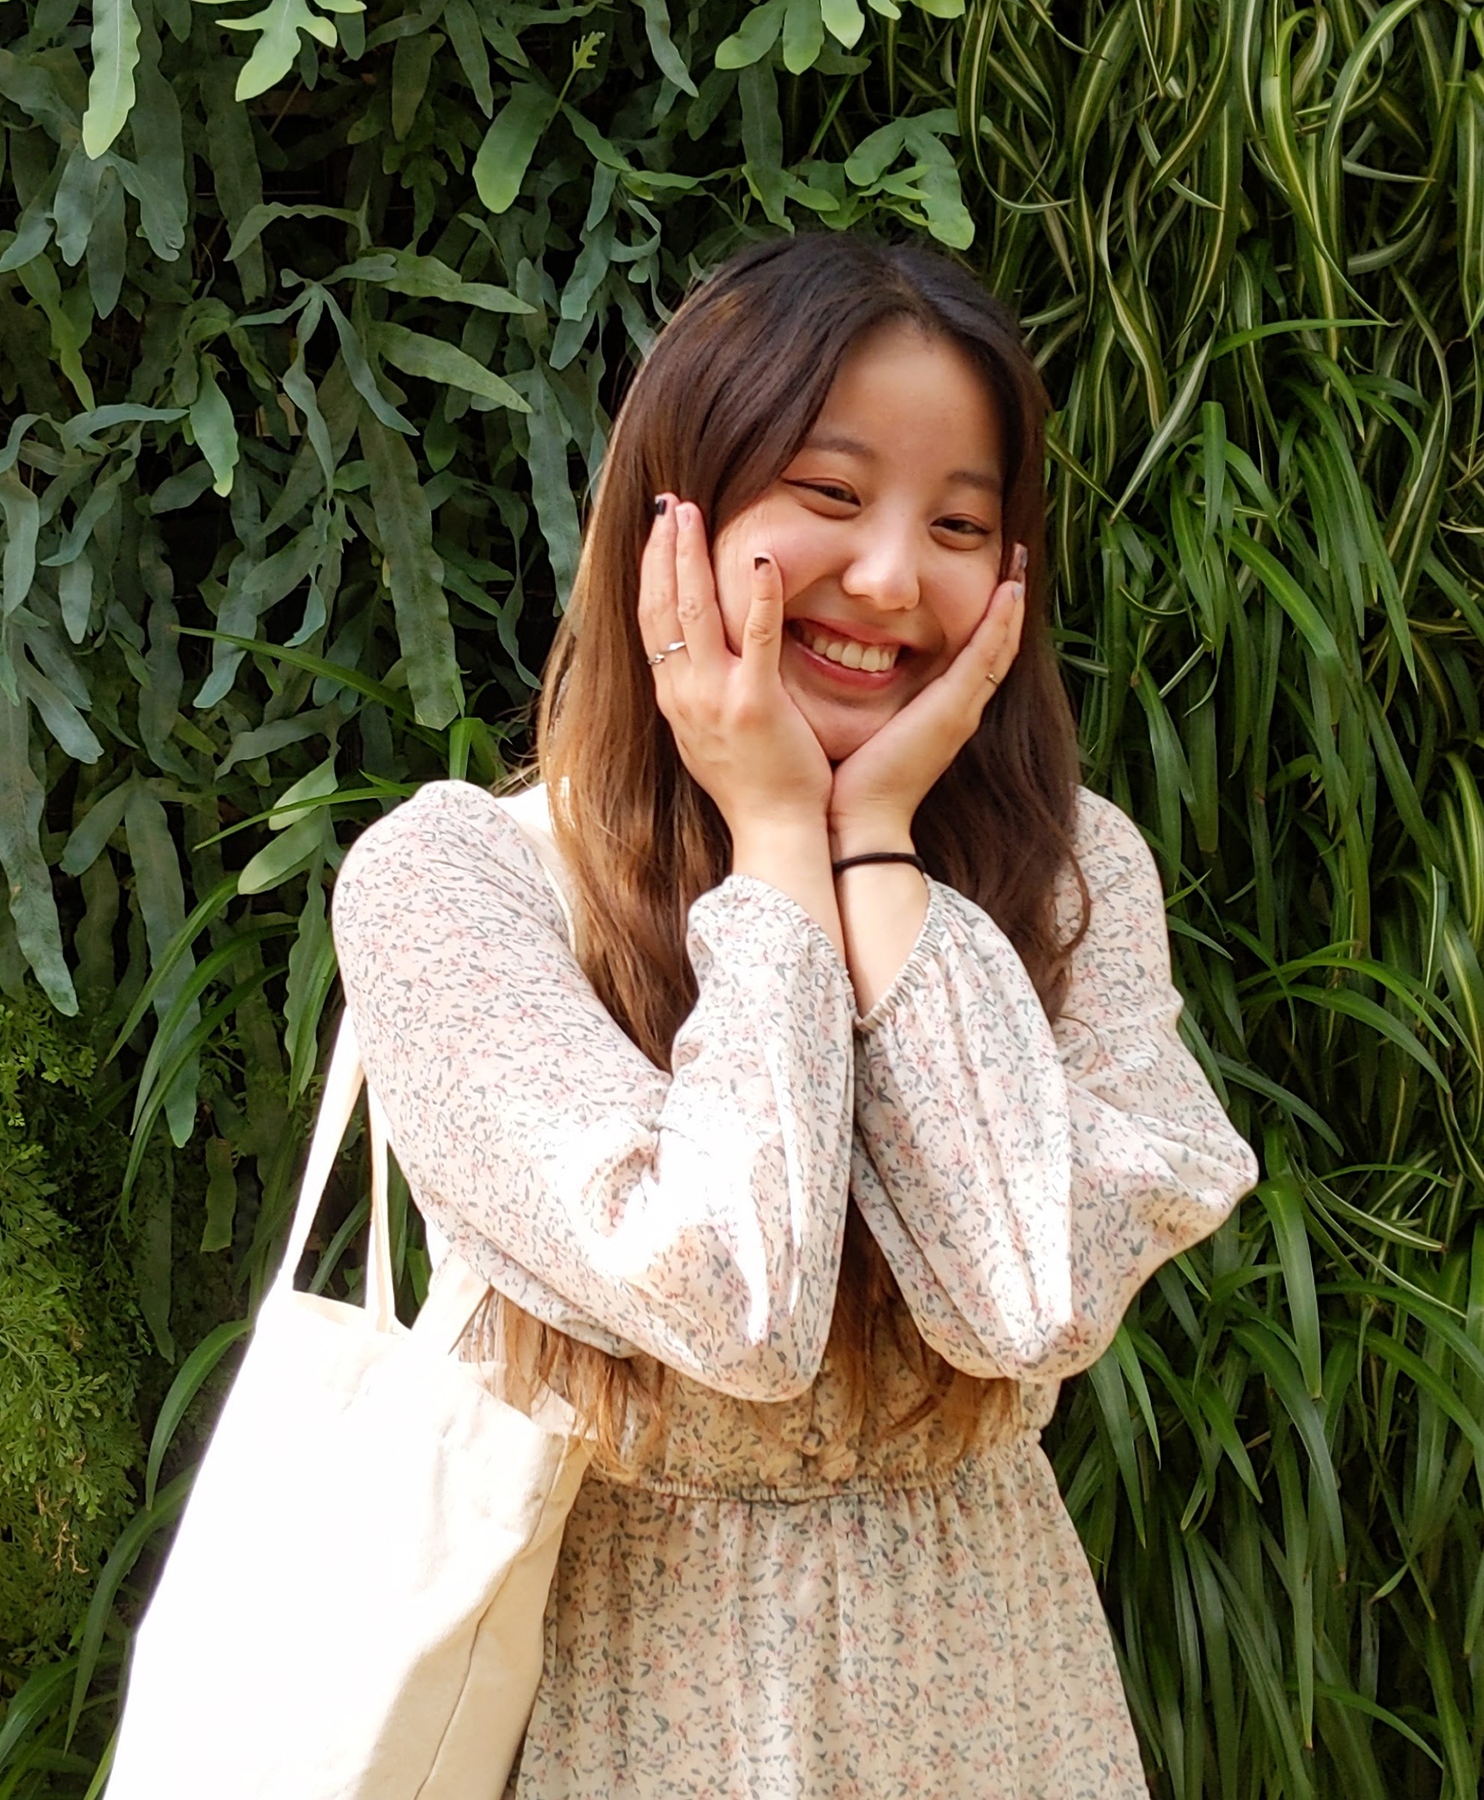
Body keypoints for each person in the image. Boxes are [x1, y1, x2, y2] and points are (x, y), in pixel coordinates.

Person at [328, 233, 1258, 1799]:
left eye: (960, 523)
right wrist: (774, 845)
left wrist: (876, 851)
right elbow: (736, 1305)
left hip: (997, 1698)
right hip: (620, 1694)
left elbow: (1027, 1295)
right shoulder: (456, 888)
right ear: (667, 521)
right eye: (829, 498)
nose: (893, 577)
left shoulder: (1071, 874)